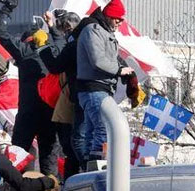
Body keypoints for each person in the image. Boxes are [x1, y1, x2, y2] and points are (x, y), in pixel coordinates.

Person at [0, 2, 60, 176]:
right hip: (50, 114)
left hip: (28, 113)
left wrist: (7, 9)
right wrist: (53, 28)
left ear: (25, 40)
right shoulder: (55, 51)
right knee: (49, 163)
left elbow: (0, 33)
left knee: (16, 159)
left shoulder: (23, 51)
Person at [77, 0, 133, 161]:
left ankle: (88, 167)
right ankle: (98, 165)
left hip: (96, 89)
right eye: (117, 18)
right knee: (105, 127)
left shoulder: (101, 32)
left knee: (92, 131)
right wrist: (119, 70)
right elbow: (98, 60)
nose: (120, 22)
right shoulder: (93, 31)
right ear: (109, 16)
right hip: (94, 89)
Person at [38, 10, 84, 177]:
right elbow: (61, 44)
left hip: (67, 104)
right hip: (74, 102)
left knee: (72, 148)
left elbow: (56, 64)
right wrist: (51, 25)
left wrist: (42, 47)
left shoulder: (72, 46)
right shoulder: (84, 43)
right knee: (75, 147)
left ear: (68, 28)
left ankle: (71, 182)